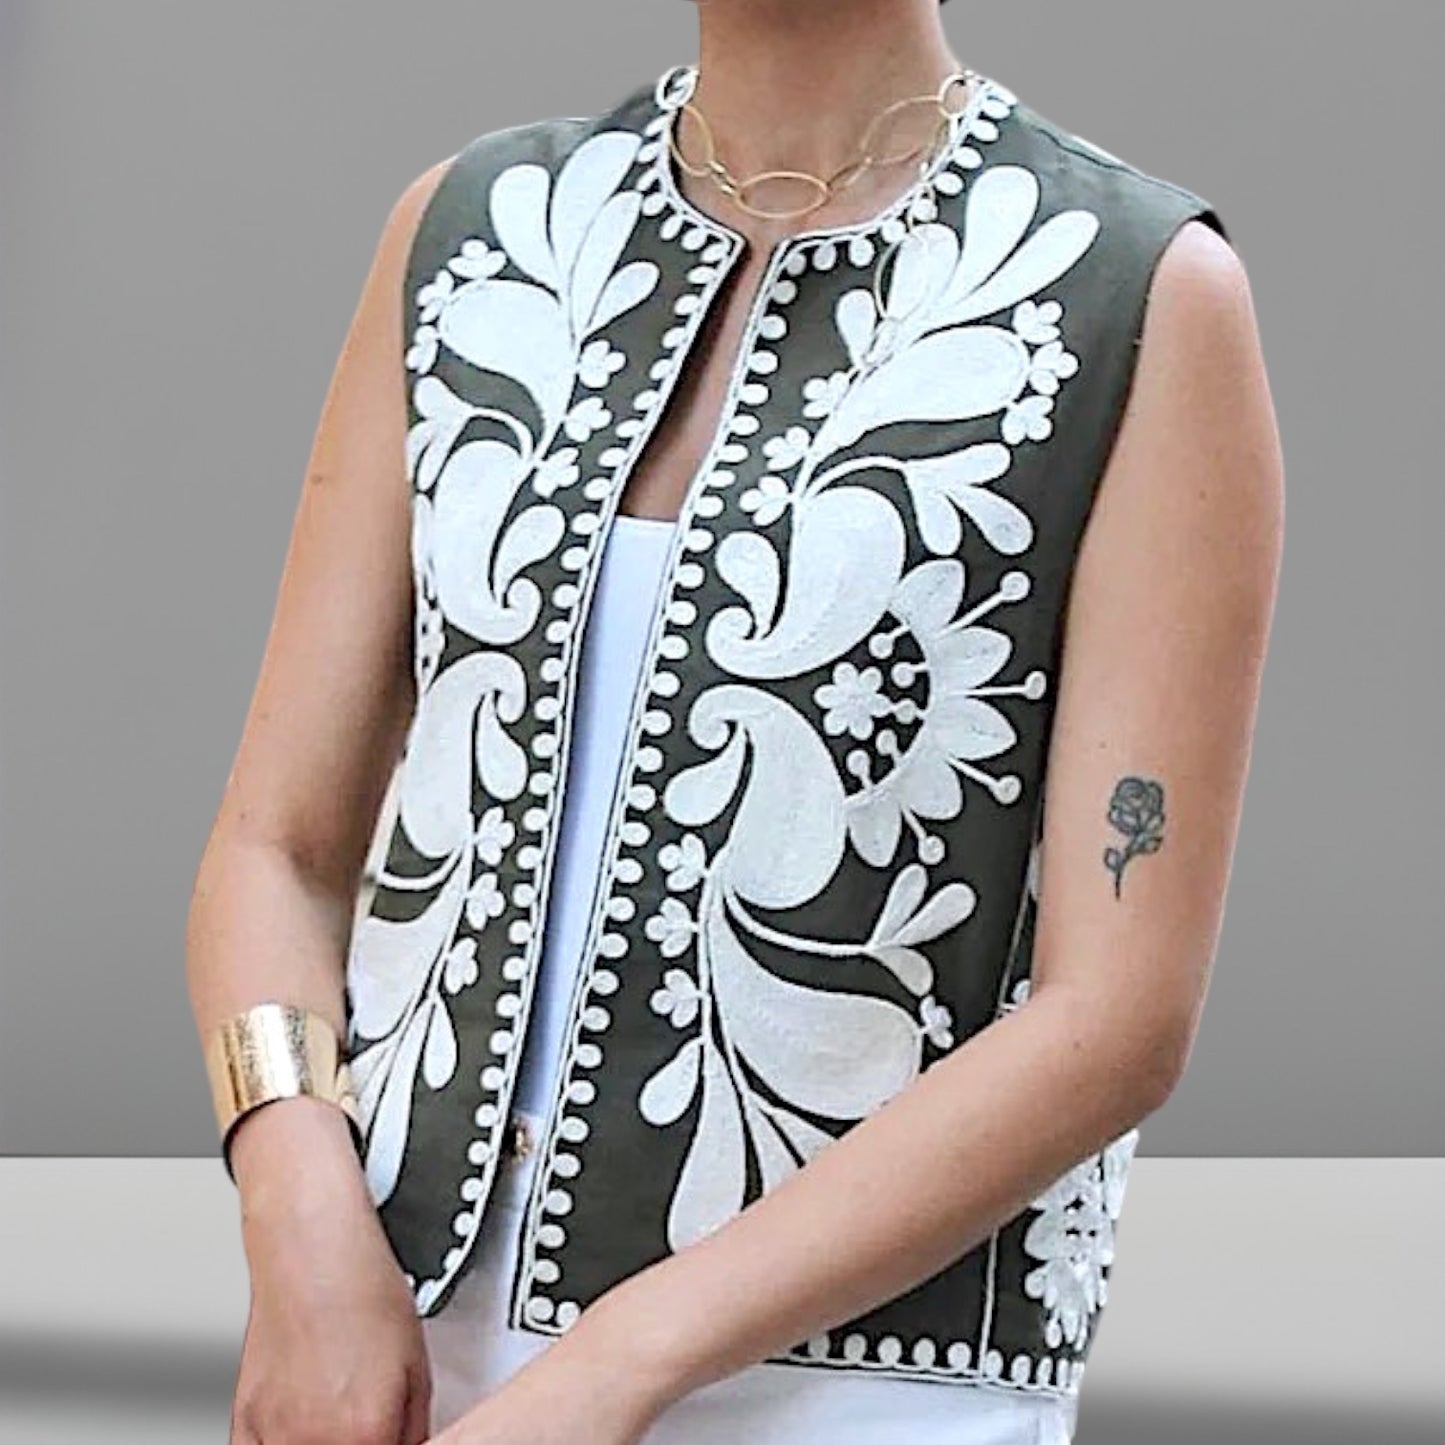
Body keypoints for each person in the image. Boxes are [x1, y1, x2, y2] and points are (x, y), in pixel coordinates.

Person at [186, 2, 1283, 1442]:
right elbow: (273, 848)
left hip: (864, 1379)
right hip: (389, 1340)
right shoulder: (471, 234)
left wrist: (611, 1369)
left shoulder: (1135, 291)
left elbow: (1117, 1016)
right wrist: (295, 1214)